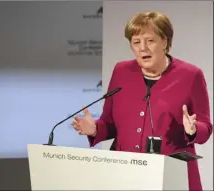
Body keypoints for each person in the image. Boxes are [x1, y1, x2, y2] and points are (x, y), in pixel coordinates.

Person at [70, 11, 213, 191]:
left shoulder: (191, 75)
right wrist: (96, 129)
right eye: (136, 42)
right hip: (125, 175)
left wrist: (193, 129)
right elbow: (110, 122)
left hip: (171, 176)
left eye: (150, 41)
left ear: (165, 42)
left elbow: (206, 127)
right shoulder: (121, 72)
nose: (142, 48)